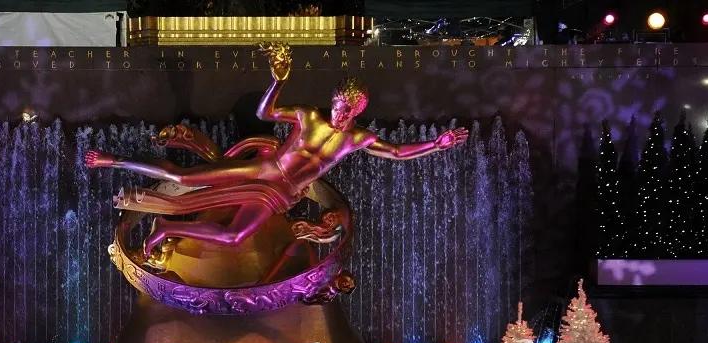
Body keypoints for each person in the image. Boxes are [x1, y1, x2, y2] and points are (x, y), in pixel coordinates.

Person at [84, 44, 468, 261]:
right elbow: (264, 113)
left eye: (348, 111)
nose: (340, 113)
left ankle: (167, 229)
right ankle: (112, 161)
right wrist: (277, 81)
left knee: (233, 237)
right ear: (333, 100)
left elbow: (398, 152)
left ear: (358, 112)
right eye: (337, 105)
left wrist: (436, 144)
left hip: (280, 194)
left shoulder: (356, 139)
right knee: (183, 178)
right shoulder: (307, 116)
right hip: (262, 171)